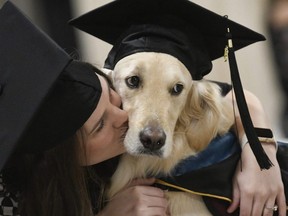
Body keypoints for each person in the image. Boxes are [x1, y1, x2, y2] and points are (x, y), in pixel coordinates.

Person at [70, 0, 287, 215]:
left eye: (175, 89)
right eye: (134, 82)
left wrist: (262, 156)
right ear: (111, 86)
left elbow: (232, 98)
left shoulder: (211, 159)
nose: (154, 133)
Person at [0, 2, 168, 216]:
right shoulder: (11, 201)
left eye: (112, 97)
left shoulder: (133, 95)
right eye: (100, 125)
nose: (124, 115)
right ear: (61, 160)